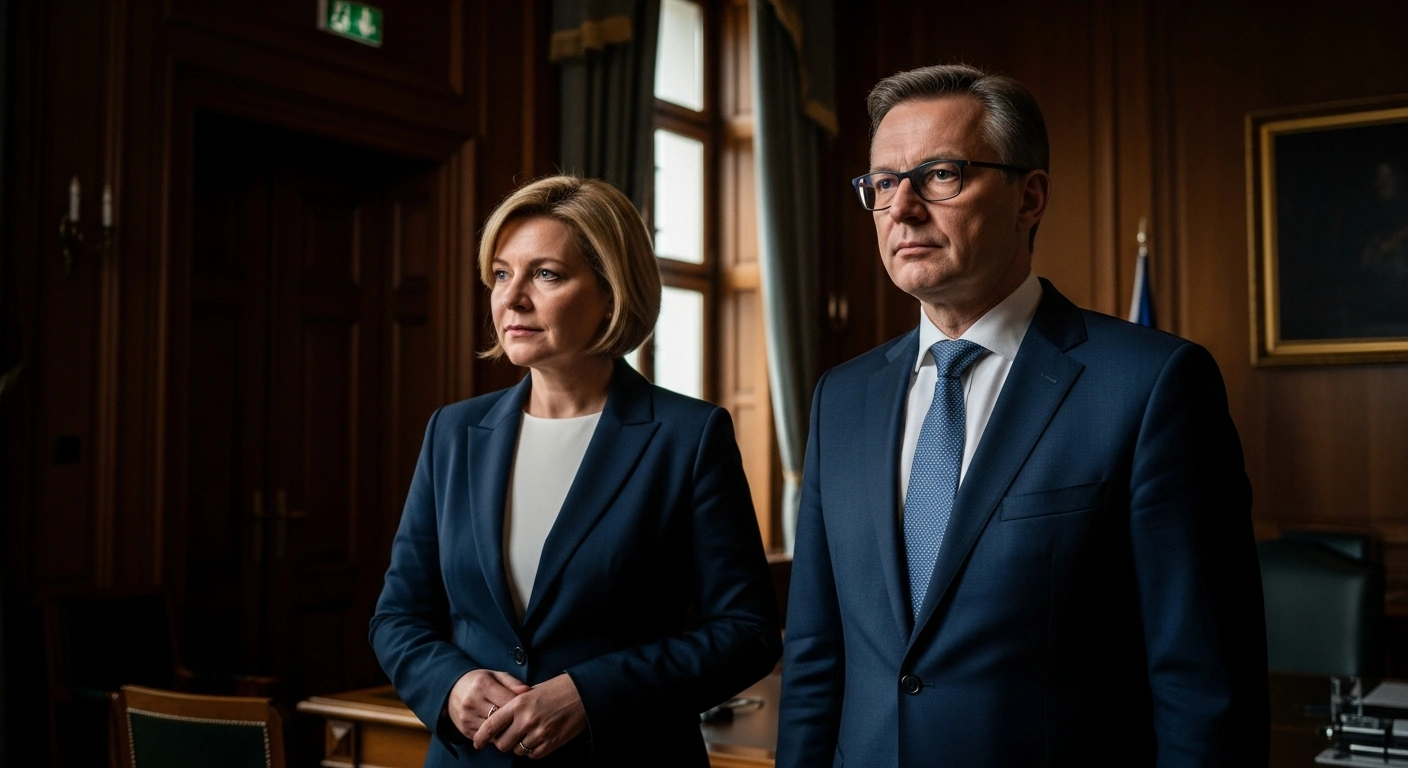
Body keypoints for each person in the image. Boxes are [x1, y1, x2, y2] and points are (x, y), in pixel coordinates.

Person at [776, 64, 1268, 766]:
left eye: (940, 175)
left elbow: (1206, 687)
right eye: (884, 183)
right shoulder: (841, 398)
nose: (904, 208)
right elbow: (818, 663)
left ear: (1028, 196)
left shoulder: (1151, 385)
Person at [371, 175, 781, 766]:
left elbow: (747, 633)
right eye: (502, 274)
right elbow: (399, 616)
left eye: (545, 275)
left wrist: (590, 695)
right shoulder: (454, 433)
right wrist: (451, 686)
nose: (511, 299)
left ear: (611, 294)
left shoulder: (688, 437)